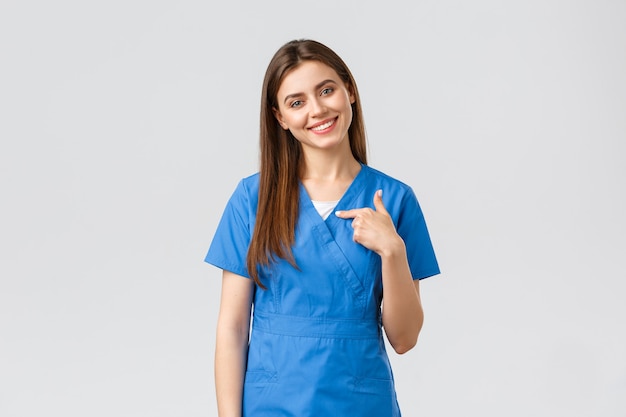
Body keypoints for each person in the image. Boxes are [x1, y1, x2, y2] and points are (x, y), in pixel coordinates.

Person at [205, 39, 440, 417]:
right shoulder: (253, 199)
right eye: (296, 102)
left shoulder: (395, 200)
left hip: (360, 403)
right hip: (272, 404)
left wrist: (392, 251)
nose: (317, 110)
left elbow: (405, 338)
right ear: (280, 117)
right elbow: (231, 330)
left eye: (326, 90)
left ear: (349, 90)